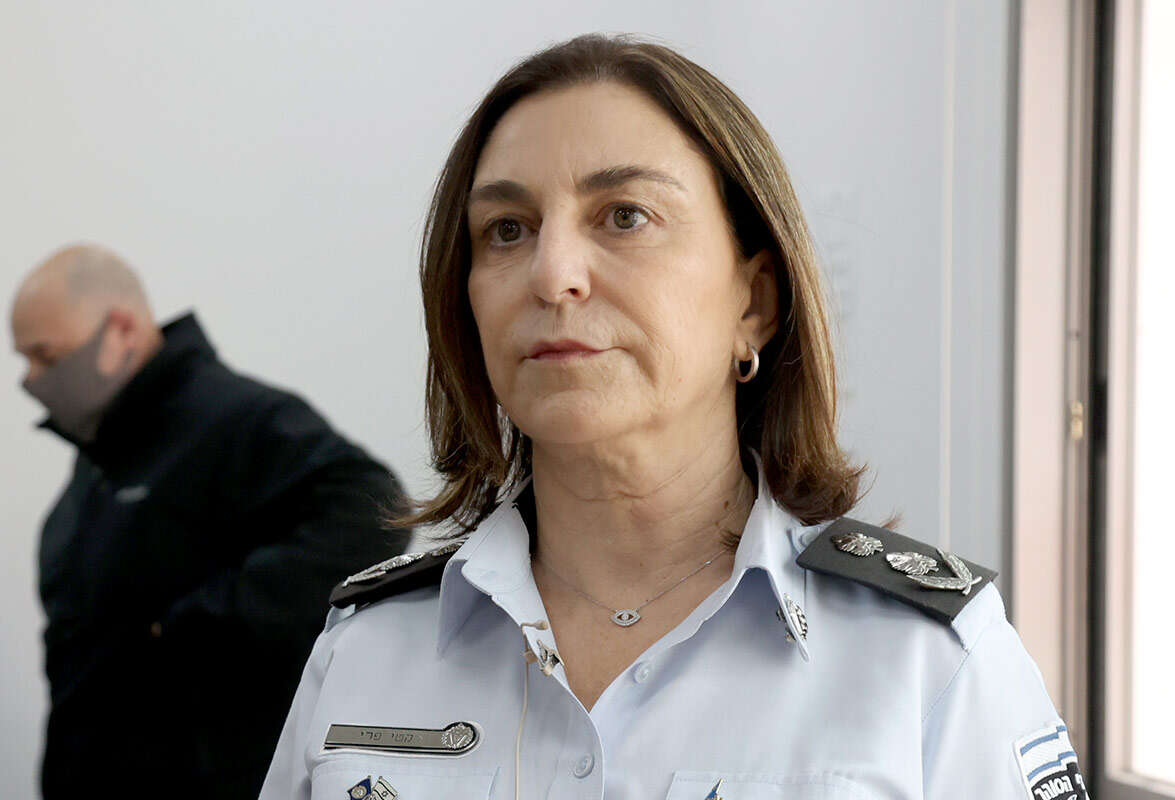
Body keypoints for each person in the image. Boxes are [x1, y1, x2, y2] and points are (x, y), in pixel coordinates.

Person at [260, 34, 1088, 800]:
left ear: (753, 303)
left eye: (625, 216)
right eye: (506, 230)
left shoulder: (922, 660)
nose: (552, 274)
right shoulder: (366, 651)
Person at [10, 244, 410, 799]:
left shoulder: (235, 419)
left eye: (45, 356)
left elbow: (374, 510)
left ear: (121, 330)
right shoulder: (101, 463)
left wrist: (193, 627)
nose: (30, 379)